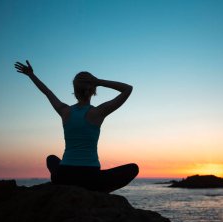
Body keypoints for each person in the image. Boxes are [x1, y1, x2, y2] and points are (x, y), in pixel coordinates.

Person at [14, 60, 139, 193]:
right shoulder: (98, 112)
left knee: (51, 158)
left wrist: (31, 75)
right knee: (133, 168)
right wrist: (99, 81)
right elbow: (127, 89)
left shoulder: (64, 111)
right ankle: (98, 189)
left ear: (74, 91)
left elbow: (47, 92)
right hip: (90, 177)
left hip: (64, 176)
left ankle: (67, 183)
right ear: (93, 91)